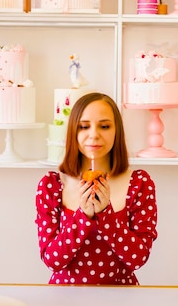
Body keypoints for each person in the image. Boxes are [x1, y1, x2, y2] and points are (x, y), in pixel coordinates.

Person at [35, 92, 158, 285]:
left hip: (122, 298)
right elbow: (53, 261)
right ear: (73, 132)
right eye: (84, 126)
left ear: (117, 131)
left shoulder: (139, 184)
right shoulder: (52, 186)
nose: (94, 134)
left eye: (105, 126)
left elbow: (137, 259)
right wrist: (83, 217)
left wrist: (105, 215)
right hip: (64, 300)